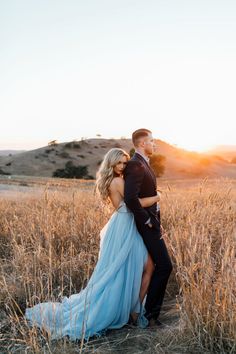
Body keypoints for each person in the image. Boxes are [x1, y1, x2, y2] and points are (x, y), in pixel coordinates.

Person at [25, 148, 159, 341]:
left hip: (122, 224)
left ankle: (134, 309)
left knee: (134, 267)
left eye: (125, 162)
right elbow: (135, 204)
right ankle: (134, 312)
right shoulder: (118, 181)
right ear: (112, 164)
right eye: (119, 163)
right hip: (123, 228)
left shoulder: (113, 180)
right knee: (135, 268)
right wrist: (157, 197)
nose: (123, 166)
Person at [124, 129, 173, 326]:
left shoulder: (143, 162)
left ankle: (142, 313)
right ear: (142, 144)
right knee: (165, 266)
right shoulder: (136, 163)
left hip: (153, 221)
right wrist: (148, 221)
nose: (155, 144)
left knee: (151, 267)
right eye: (152, 141)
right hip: (145, 225)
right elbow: (130, 199)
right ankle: (150, 316)